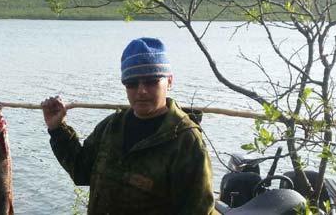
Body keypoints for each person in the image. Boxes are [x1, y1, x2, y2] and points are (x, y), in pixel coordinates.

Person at [41, 37, 215, 214]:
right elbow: (81, 171)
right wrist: (57, 129)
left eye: (151, 81)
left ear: (169, 81)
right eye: (132, 83)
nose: (141, 91)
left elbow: (198, 209)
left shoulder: (185, 141)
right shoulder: (111, 127)